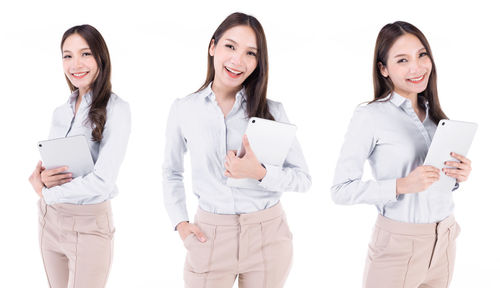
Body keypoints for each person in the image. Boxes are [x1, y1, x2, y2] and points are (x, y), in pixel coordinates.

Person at [162, 12, 311, 288]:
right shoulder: (184, 109)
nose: (238, 60)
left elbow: (303, 179)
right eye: (230, 46)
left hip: (268, 238)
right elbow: (171, 172)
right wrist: (180, 223)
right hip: (210, 236)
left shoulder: (272, 112)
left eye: (250, 53)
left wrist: (260, 173)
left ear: (258, 62)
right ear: (212, 47)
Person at [331, 21, 472, 288]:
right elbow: (340, 190)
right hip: (397, 248)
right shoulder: (370, 116)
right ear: (383, 69)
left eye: (421, 55)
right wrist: (401, 185)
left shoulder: (436, 118)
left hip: (444, 241)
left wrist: (456, 176)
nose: (417, 67)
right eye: (402, 60)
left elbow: (435, 183)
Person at [28, 24, 131, 288]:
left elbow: (103, 181)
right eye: (67, 55)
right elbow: (58, 167)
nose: (76, 64)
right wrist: (41, 177)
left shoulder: (117, 110)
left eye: (85, 54)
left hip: (89, 226)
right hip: (49, 220)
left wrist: (47, 192)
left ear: (101, 58)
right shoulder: (60, 112)